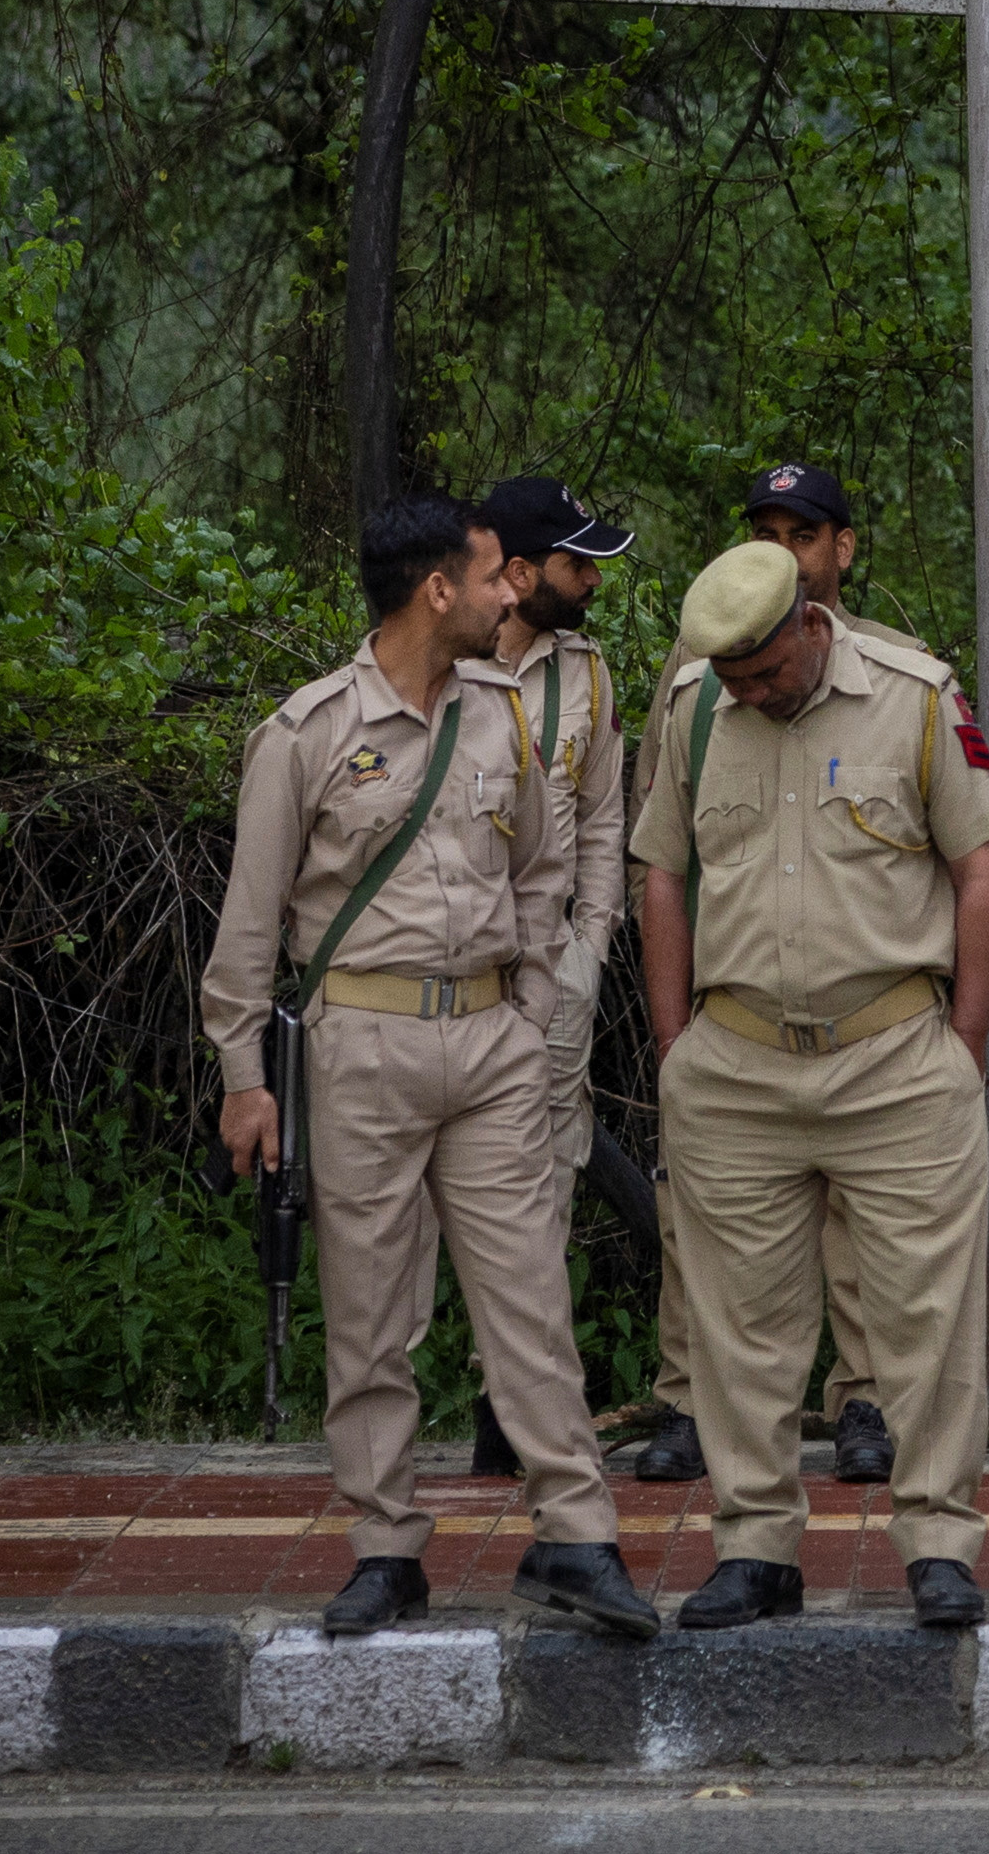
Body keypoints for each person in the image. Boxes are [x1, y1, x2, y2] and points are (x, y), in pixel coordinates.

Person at [208, 498, 657, 1643]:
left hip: (495, 1039)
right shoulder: (309, 731)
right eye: (491, 578)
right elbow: (248, 926)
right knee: (370, 1312)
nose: (514, 593)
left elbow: (543, 872)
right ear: (435, 590)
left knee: (530, 1296)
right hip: (361, 1040)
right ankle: (386, 1544)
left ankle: (574, 1531)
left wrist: (537, 1003)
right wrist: (243, 1074)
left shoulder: (501, 714)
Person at [637, 539, 989, 1630]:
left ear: (809, 623)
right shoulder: (693, 705)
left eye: (761, 672)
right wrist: (674, 1044)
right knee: (738, 1325)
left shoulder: (913, 696)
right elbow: (661, 872)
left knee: (925, 1317)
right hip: (735, 1061)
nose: (745, 692)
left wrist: (966, 1037)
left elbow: (979, 863)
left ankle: (937, 1540)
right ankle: (755, 1547)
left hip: (895, 1055)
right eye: (730, 678)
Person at [621, 459, 906, 1489]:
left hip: (866, 1014)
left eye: (804, 533)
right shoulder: (694, 680)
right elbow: (663, 858)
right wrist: (673, 1032)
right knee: (705, 1216)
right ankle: (693, 1398)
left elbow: (953, 862)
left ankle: (865, 1397)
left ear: (841, 548)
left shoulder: (904, 677)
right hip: (733, 1008)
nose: (784, 550)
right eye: (765, 530)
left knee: (860, 1216)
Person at [463, 472, 637, 1484]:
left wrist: (591, 941)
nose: (592, 582)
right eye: (578, 563)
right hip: (447, 969)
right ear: (520, 570)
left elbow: (605, 817)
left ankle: (513, 1408)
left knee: (546, 1184)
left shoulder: (589, 674)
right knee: (444, 1188)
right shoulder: (442, 659)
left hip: (553, 971)